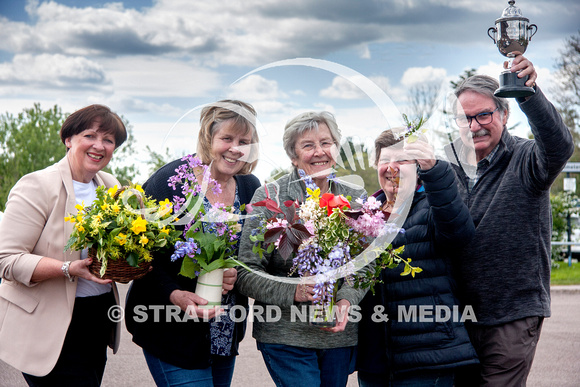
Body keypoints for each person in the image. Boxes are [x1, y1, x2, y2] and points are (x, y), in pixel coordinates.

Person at [448, 54, 574, 386]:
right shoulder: (446, 168)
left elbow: (559, 146)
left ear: (504, 113)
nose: (474, 126)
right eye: (465, 118)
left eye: (483, 115)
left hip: (511, 314)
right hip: (457, 316)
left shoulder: (528, 158)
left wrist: (528, 94)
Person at [125, 99, 261, 387]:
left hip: (224, 331)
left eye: (244, 141)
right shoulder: (171, 181)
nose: (235, 148)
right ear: (208, 138)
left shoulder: (250, 186)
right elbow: (139, 253)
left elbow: (251, 253)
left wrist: (236, 273)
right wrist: (174, 294)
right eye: (227, 138)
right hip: (170, 327)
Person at [235, 111, 367, 387]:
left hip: (337, 335)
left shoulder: (355, 198)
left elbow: (365, 264)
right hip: (285, 335)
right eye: (308, 145)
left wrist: (346, 300)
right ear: (293, 156)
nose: (319, 152)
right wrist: (293, 290)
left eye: (326, 143)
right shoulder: (272, 197)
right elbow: (246, 270)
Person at [0, 104, 127, 386]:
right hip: (47, 324)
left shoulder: (110, 185)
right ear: (68, 139)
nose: (99, 146)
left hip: (95, 318)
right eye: (90, 136)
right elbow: (6, 259)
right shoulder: (36, 185)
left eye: (108, 140)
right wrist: (68, 268)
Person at [356, 129, 479, 386]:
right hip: (375, 360)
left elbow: (459, 235)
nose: (391, 167)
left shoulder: (433, 206)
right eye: (384, 160)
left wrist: (435, 171)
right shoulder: (360, 215)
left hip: (428, 356)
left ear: (419, 166)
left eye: (401, 160)